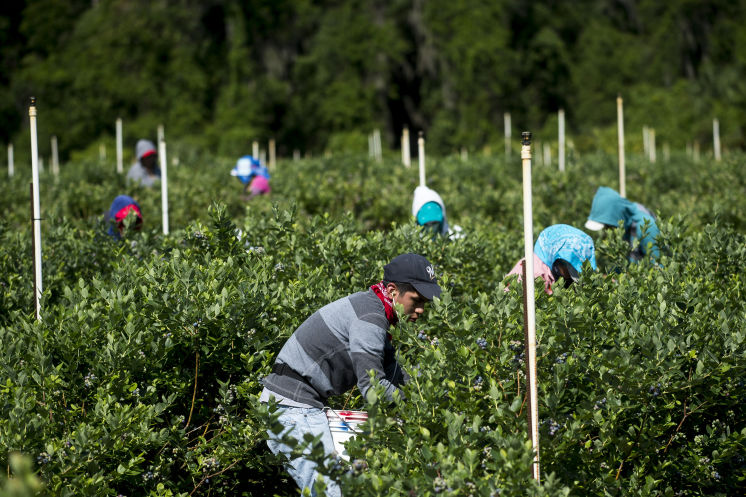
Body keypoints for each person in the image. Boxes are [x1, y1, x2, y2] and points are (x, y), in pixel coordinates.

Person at [260, 253, 441, 497]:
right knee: (330, 491)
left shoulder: (375, 310)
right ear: (391, 290)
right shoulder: (371, 319)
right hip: (291, 408)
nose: (420, 310)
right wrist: (418, 408)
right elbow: (373, 390)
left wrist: (433, 393)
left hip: (297, 405)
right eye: (416, 300)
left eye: (425, 303)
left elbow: (396, 375)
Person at [506, 224, 597, 295]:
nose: (570, 275)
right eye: (570, 269)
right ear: (558, 260)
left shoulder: (556, 268)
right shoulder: (535, 275)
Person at [584, 186, 660, 261]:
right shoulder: (624, 227)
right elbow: (625, 263)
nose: (606, 230)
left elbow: (658, 265)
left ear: (614, 218)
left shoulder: (647, 226)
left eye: (607, 226)